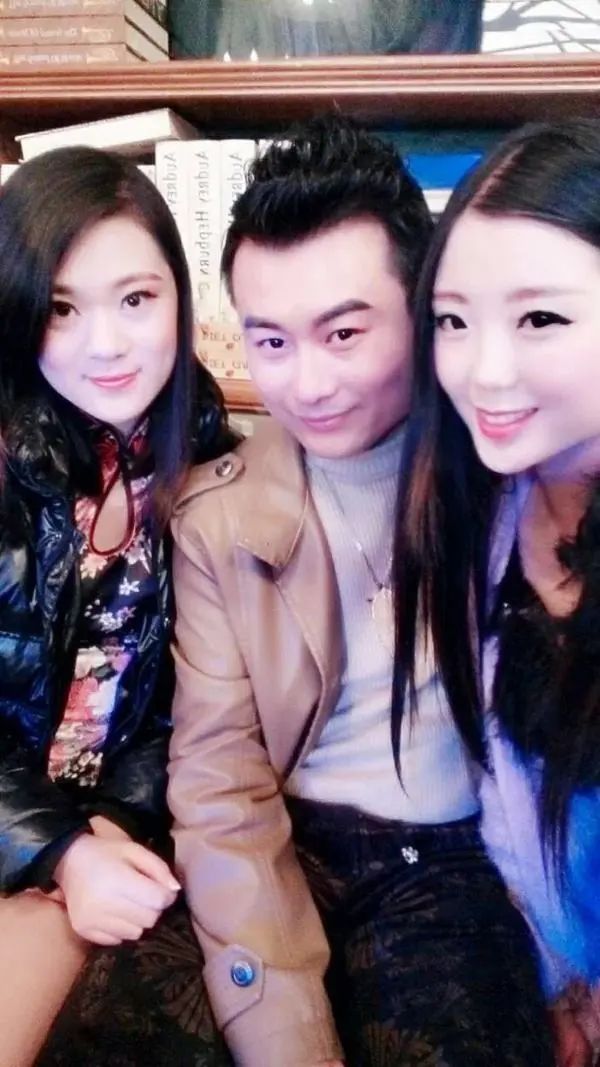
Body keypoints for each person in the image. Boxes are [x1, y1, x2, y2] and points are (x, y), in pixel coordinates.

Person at [168, 115, 554, 1067]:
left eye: (344, 332)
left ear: (424, 310)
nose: (308, 383)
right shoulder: (216, 517)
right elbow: (221, 782)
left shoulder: (513, 474)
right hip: (280, 842)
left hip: (451, 860)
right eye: (271, 340)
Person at [0, 146, 235, 1066]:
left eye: (136, 298)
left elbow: (187, 697)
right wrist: (60, 851)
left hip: (98, 834)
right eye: (62, 308)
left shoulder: (206, 457)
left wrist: (114, 826)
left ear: (179, 296)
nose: (106, 344)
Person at [392, 118, 600, 1066]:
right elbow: (507, 808)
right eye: (452, 320)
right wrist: (554, 978)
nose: (484, 370)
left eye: (540, 318)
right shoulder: (483, 511)